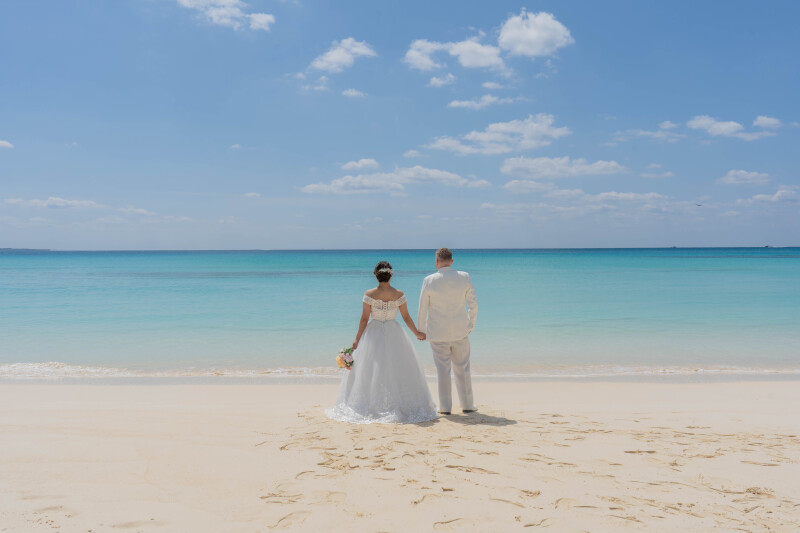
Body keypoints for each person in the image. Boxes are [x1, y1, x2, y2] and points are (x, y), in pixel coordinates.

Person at [326, 261, 438, 424]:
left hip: (373, 333)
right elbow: (406, 317)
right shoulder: (399, 294)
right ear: (390, 275)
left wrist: (357, 339)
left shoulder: (369, 294)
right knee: (397, 369)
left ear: (375, 275)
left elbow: (364, 319)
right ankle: (399, 404)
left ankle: (370, 403)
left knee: (370, 371)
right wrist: (417, 333)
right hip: (395, 332)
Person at [417, 248, 478, 415]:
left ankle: (445, 407)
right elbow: (473, 305)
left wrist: (420, 331)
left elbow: (423, 308)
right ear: (452, 261)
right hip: (460, 331)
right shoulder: (464, 277)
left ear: (436, 262)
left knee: (443, 370)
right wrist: (470, 325)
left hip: (438, 332)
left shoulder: (429, 280)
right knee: (463, 368)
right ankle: (467, 404)